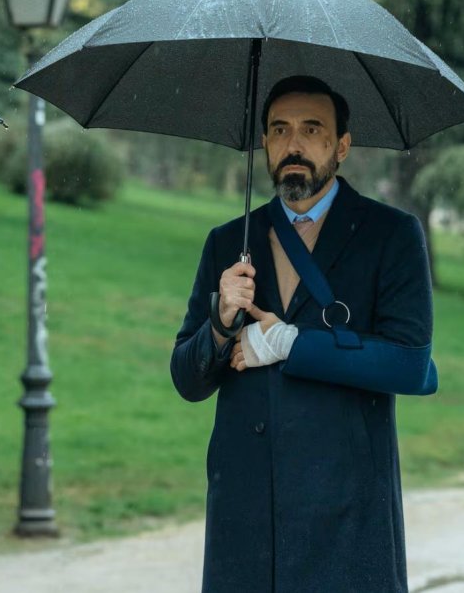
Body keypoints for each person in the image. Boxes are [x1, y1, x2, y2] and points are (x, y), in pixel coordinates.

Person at [170, 75, 437, 592]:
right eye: (279, 130)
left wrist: (291, 344)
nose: (293, 145)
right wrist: (221, 323)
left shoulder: (391, 235)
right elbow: (188, 379)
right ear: (264, 143)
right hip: (247, 509)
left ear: (342, 146)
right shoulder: (228, 241)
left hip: (348, 507)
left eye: (312, 130)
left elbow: (408, 364)